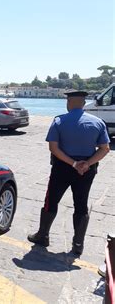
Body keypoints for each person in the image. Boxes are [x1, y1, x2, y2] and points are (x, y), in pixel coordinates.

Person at [28, 90, 110, 255]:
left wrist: (73, 163)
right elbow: (105, 148)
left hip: (62, 168)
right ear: (83, 103)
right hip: (86, 170)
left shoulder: (59, 121)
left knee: (51, 201)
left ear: (69, 102)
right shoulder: (98, 122)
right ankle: (78, 245)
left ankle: (43, 236)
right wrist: (86, 163)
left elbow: (53, 147)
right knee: (81, 205)